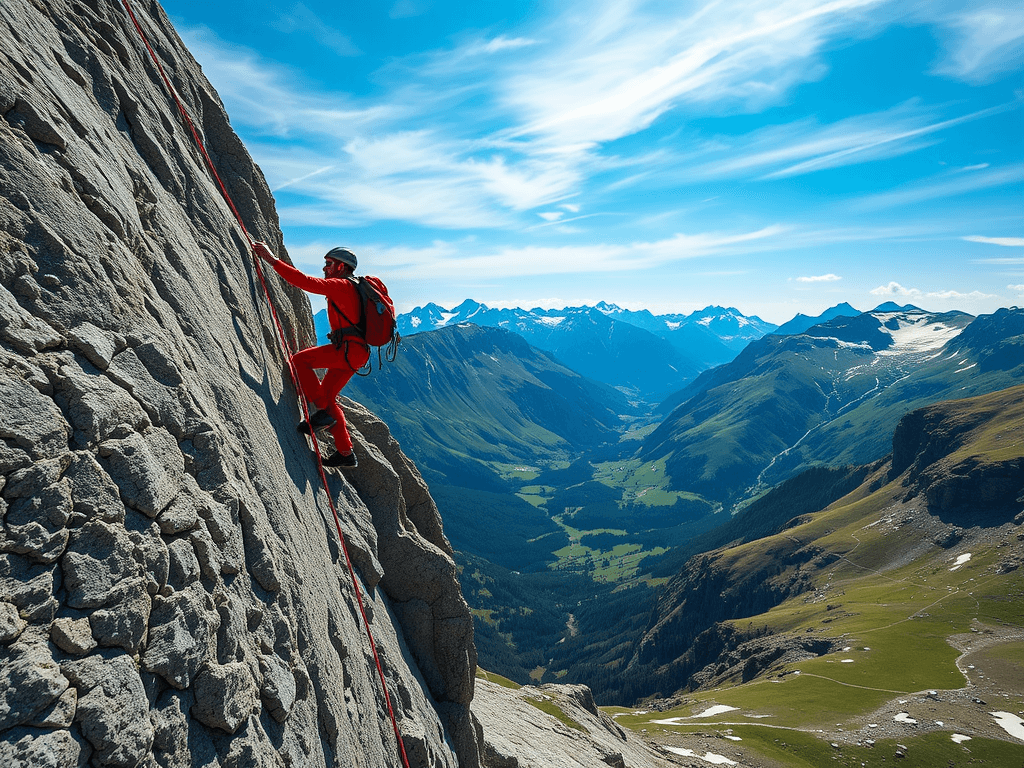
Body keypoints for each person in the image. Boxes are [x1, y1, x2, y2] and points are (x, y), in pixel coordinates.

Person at [252, 241, 369, 468]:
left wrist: (271, 260)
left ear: (341, 267)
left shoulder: (341, 285)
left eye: (329, 264)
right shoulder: (355, 287)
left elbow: (305, 282)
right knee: (327, 397)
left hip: (347, 350)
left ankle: (322, 415)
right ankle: (346, 453)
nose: (325, 268)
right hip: (357, 353)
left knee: (300, 360)